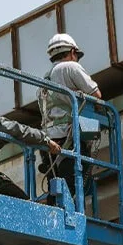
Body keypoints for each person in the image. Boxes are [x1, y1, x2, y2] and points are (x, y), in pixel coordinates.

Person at [37, 33, 102, 199]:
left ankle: (53, 219)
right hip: (69, 139)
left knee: (56, 189)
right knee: (72, 188)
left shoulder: (43, 81)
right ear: (73, 51)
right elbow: (96, 95)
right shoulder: (70, 67)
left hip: (49, 142)